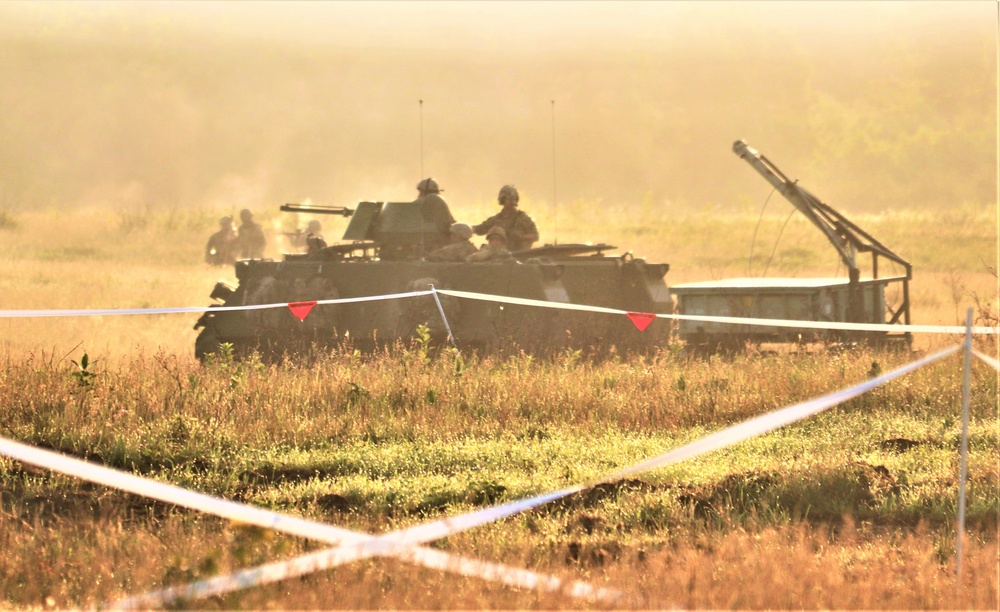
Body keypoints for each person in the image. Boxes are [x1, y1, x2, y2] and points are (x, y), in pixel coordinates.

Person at [472, 185, 539, 252]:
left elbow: (536, 236)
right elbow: (480, 229)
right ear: (503, 199)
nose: (512, 201)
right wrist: (467, 230)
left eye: (514, 199)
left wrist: (521, 237)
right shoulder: (496, 219)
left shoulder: (523, 218)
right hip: (500, 256)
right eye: (509, 199)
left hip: (520, 255)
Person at [414, 178, 455, 251]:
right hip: (445, 239)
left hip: (430, 240)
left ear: (422, 191)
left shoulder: (422, 201)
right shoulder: (441, 202)